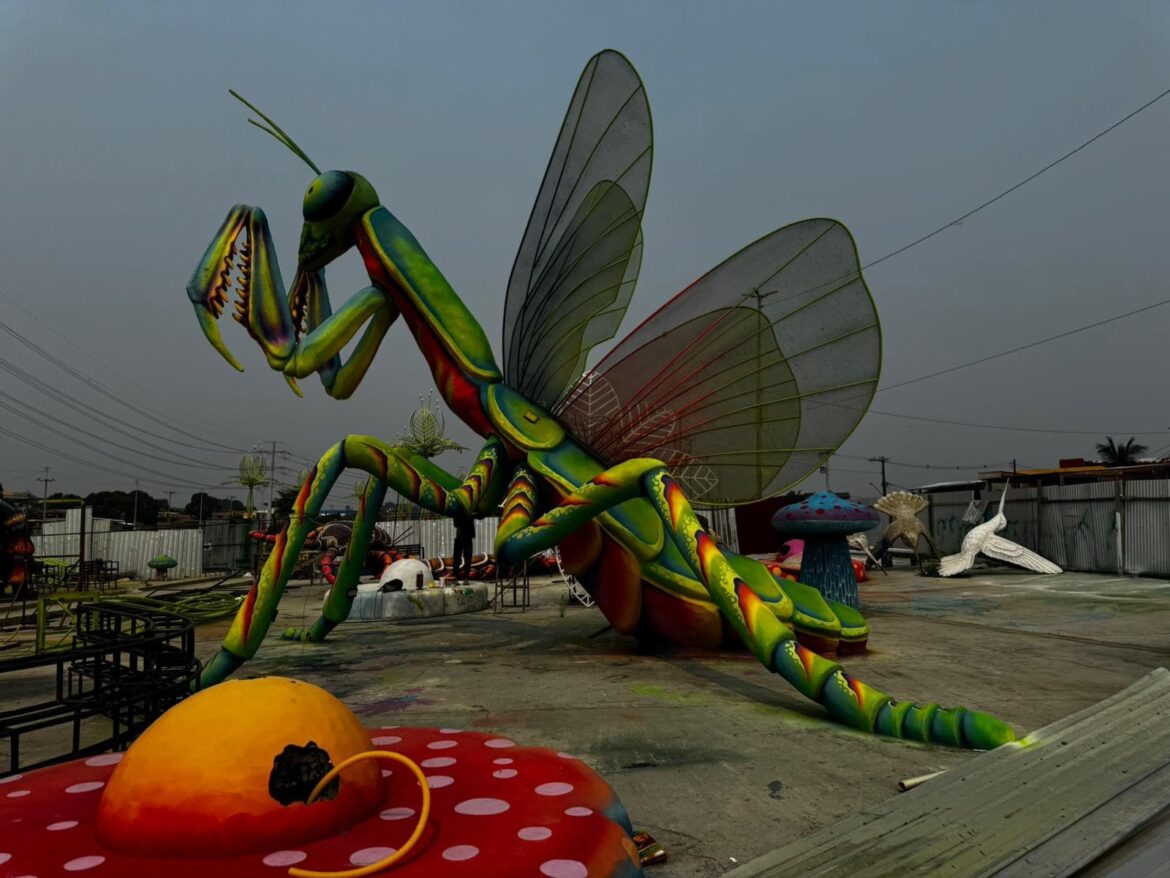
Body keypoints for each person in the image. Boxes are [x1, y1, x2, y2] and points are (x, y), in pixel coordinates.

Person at [452, 507, 475, 584]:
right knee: (457, 558)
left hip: (466, 537)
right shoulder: (460, 511)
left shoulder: (469, 511)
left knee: (466, 558)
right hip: (461, 537)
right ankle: (456, 578)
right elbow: (456, 524)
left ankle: (465, 578)